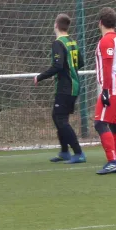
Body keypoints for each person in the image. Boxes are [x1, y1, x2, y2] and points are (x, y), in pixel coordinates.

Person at [34, 14, 86, 164]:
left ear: (56, 25)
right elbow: (80, 62)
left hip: (66, 87)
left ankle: (78, 153)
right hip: (74, 85)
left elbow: (57, 65)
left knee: (61, 119)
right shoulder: (72, 42)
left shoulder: (58, 43)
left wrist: (40, 76)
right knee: (57, 116)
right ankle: (64, 151)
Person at [94, 7, 116, 175]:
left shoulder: (106, 40)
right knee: (115, 125)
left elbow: (107, 66)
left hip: (113, 86)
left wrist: (105, 90)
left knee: (100, 123)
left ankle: (112, 160)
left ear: (100, 23)